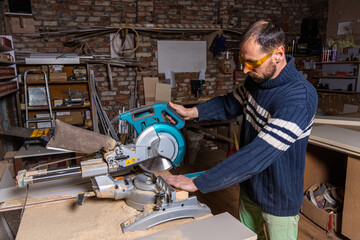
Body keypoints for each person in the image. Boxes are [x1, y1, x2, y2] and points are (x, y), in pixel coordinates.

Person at [164, 20, 318, 240]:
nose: (245, 69)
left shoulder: (299, 98)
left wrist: (199, 182)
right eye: (243, 61)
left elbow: (257, 154)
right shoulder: (257, 80)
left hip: (279, 197)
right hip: (250, 188)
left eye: (252, 63)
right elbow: (229, 103)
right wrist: (192, 113)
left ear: (278, 54)